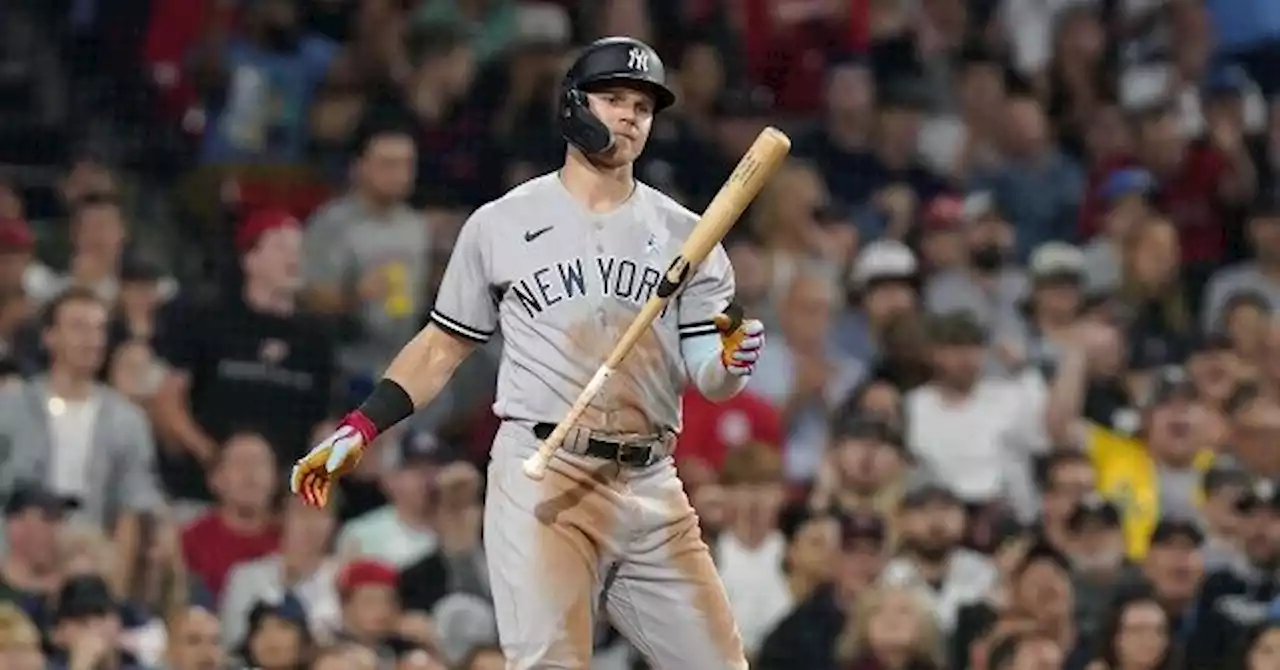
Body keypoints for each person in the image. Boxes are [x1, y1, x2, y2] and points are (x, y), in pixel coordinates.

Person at [289, 37, 766, 669]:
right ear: (573, 106)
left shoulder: (688, 233)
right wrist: (363, 422)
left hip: (649, 477)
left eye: (643, 107)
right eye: (614, 99)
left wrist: (729, 363)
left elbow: (706, 369)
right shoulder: (500, 224)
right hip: (544, 473)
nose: (630, 116)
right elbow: (441, 345)